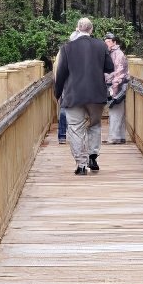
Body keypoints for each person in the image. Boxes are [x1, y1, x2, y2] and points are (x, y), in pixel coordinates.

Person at [53, 17, 114, 175]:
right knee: (94, 125)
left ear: (77, 28)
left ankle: (81, 165)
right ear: (91, 30)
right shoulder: (101, 45)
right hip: (96, 94)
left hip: (74, 95)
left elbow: (61, 74)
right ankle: (93, 157)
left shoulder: (67, 48)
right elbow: (109, 67)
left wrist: (57, 94)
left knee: (75, 128)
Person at [103, 33, 129, 144]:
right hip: (115, 84)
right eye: (105, 42)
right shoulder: (110, 53)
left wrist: (114, 90)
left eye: (109, 41)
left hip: (118, 85)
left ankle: (114, 137)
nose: (106, 43)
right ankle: (120, 136)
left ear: (114, 42)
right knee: (118, 111)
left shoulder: (118, 54)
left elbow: (119, 74)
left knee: (115, 111)